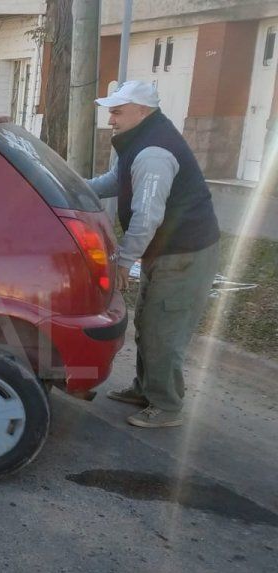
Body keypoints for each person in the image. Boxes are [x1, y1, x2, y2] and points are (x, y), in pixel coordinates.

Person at [87, 81, 220, 429]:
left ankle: (167, 406)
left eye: (117, 112)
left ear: (142, 111)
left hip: (184, 254)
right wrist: (71, 188)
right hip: (168, 251)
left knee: (164, 329)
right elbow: (115, 180)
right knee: (149, 321)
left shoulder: (154, 153)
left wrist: (124, 260)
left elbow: (147, 216)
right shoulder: (140, 139)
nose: (111, 120)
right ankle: (145, 389)